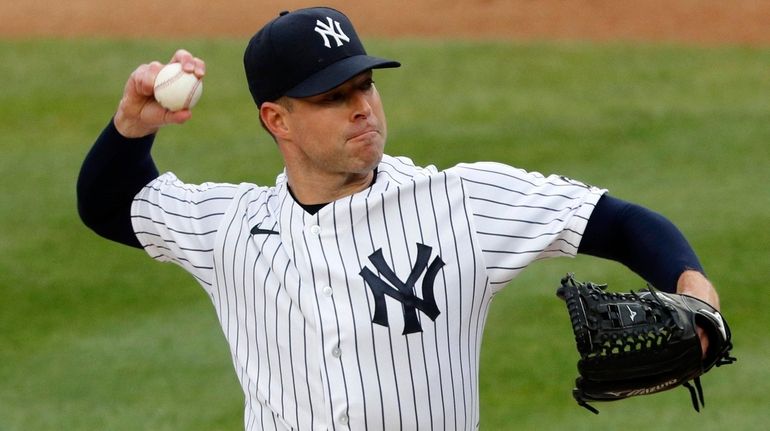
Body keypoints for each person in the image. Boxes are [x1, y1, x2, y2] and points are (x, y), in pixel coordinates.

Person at [77, 6, 721, 431]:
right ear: (278, 120)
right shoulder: (232, 229)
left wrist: (693, 287)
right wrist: (132, 126)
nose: (362, 108)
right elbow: (111, 204)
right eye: (333, 98)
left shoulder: (462, 203)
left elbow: (619, 222)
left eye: (365, 86)